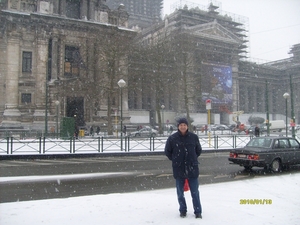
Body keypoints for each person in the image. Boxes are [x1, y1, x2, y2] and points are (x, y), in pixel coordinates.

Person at [164, 117, 202, 219]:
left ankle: (198, 211)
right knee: (180, 193)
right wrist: (176, 159)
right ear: (178, 127)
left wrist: (192, 158)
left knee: (195, 192)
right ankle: (182, 210)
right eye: (181, 125)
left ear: (187, 126)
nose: (183, 127)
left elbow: (198, 150)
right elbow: (167, 152)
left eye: (184, 125)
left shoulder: (193, 137)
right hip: (179, 168)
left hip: (192, 168)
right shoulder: (172, 138)